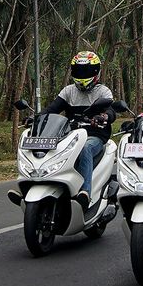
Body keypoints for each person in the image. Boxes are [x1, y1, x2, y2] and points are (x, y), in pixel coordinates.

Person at [40, 51, 115, 209]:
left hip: (95, 136)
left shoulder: (103, 91)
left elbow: (110, 111)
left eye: (86, 71)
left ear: (95, 72)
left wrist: (104, 117)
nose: (82, 74)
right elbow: (52, 109)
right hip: (70, 136)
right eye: (79, 71)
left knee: (85, 148)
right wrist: (36, 118)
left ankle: (85, 193)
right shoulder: (68, 91)